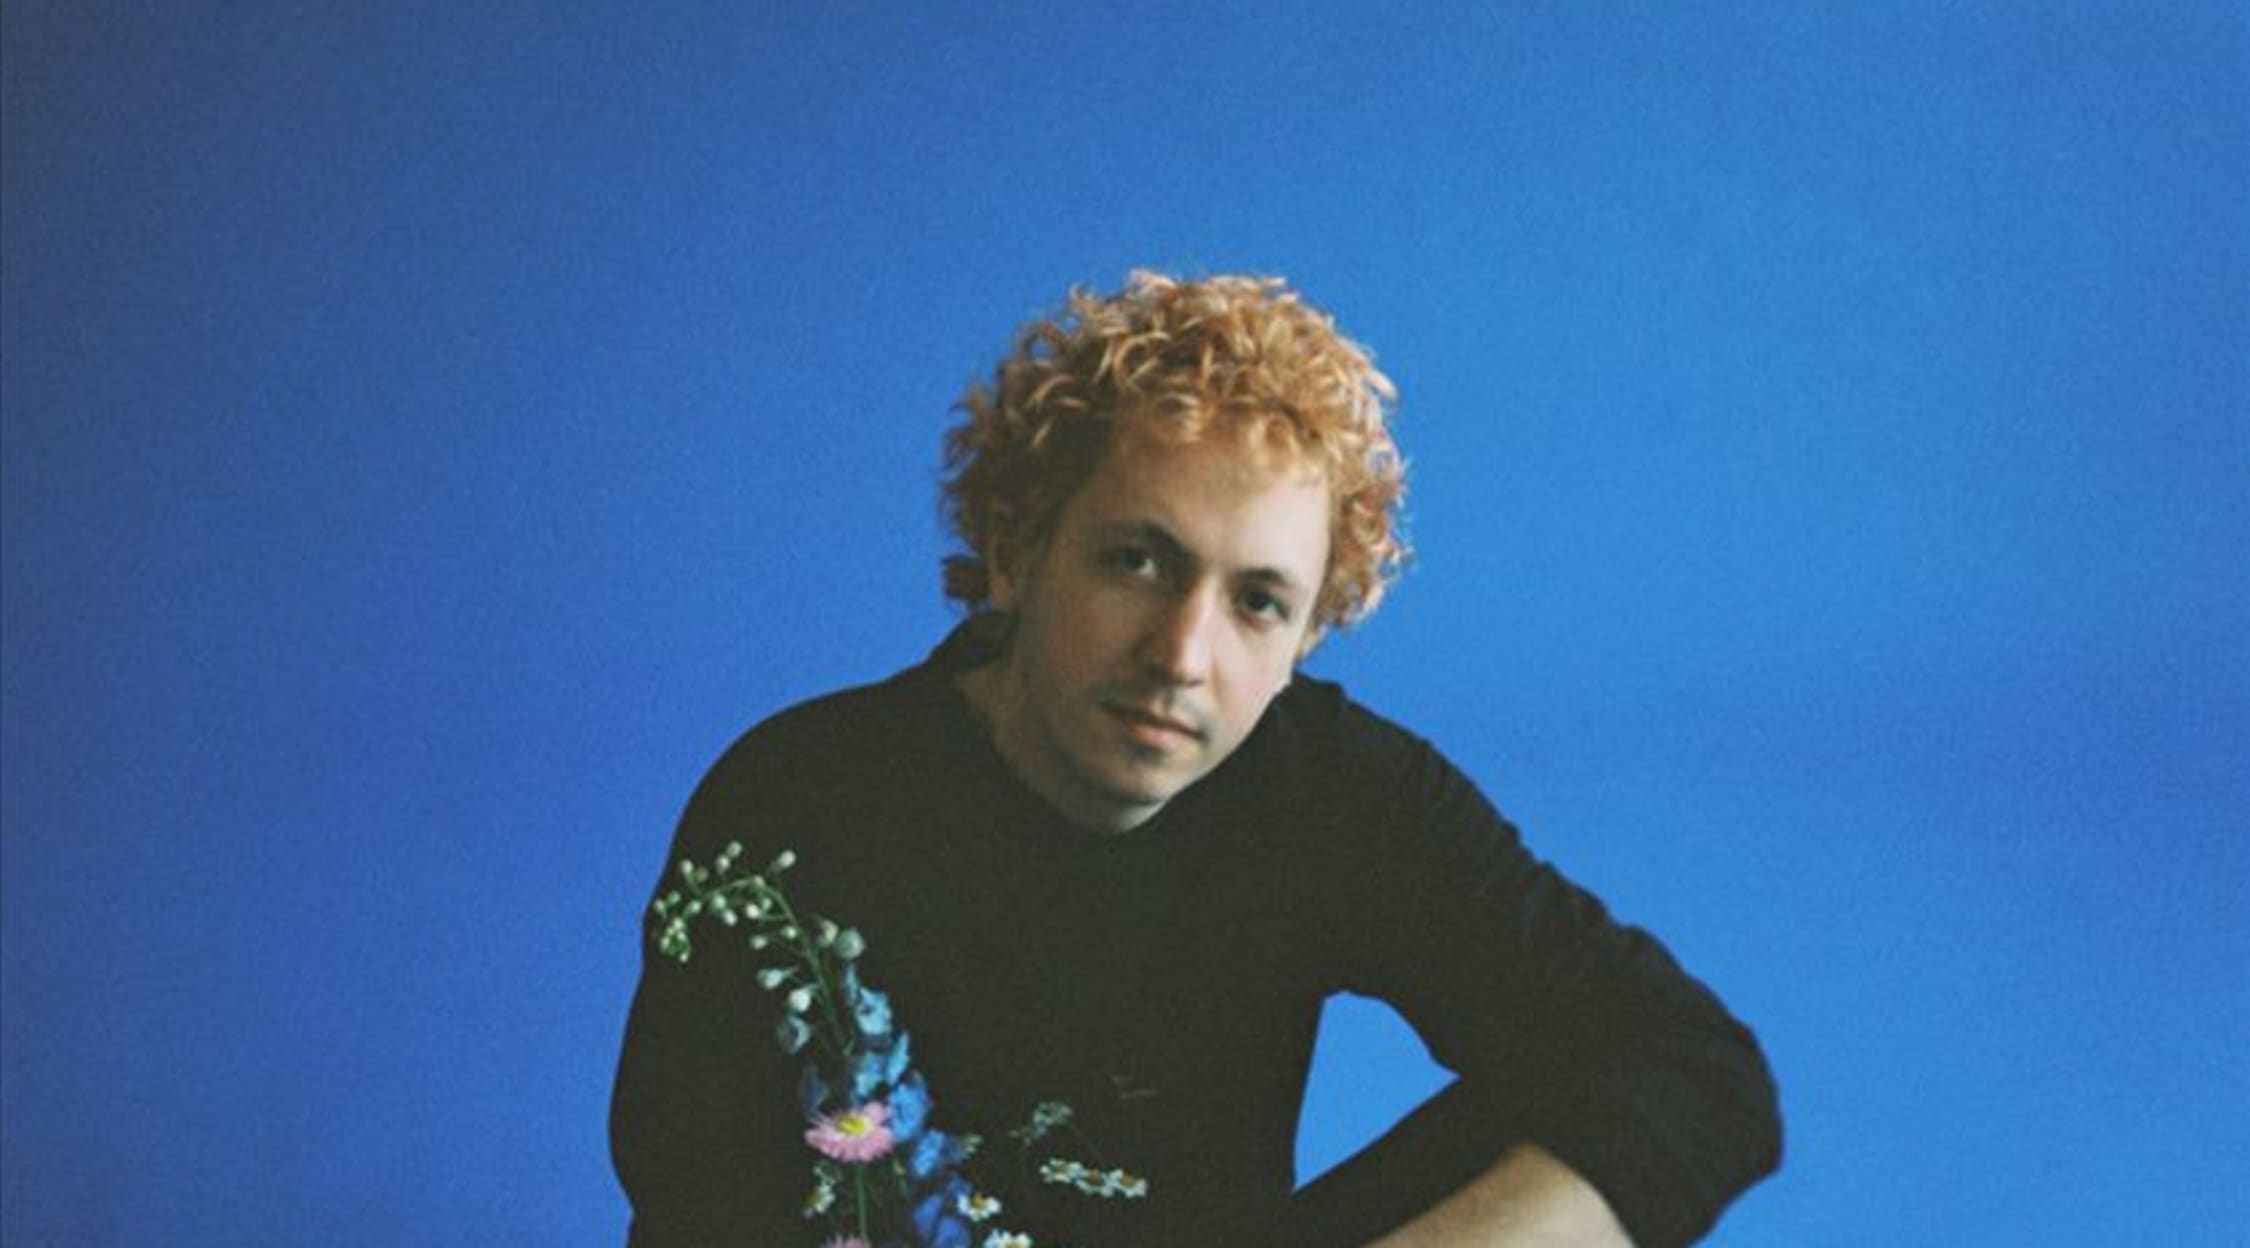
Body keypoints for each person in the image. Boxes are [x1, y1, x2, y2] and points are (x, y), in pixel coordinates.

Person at [611, 272, 1782, 1246]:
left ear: (1306, 638)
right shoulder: (802, 810)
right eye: (1138, 561)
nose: (1182, 656)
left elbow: (1694, 1071)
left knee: (1594, 1088)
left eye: (1258, 602)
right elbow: (705, 1204)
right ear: (1016, 550)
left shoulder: (1330, 790)